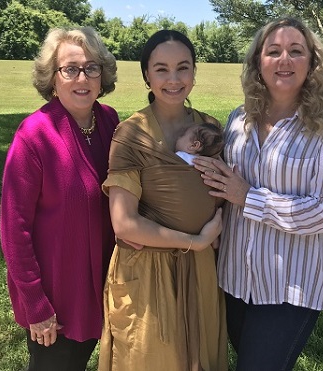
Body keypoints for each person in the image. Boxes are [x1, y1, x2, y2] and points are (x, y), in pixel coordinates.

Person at [193, 17, 323, 370]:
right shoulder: (239, 119)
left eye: (295, 51)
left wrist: (249, 198)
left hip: (292, 286)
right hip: (235, 276)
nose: (284, 60)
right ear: (258, 63)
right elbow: (225, 183)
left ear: (312, 63)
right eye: (273, 51)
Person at [98, 29, 228, 371]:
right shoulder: (132, 134)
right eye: (161, 69)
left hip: (200, 272)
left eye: (183, 68)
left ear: (195, 73)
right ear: (146, 76)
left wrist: (214, 235)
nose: (174, 79)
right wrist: (196, 241)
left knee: (201, 360)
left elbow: (224, 192)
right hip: (148, 273)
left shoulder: (210, 129)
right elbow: (124, 223)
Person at [0, 26, 119, 371]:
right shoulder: (34, 135)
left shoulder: (110, 121)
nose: (82, 77)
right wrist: (36, 304)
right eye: (70, 69)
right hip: (58, 299)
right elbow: (14, 229)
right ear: (53, 78)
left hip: (105, 285)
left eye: (91, 67)